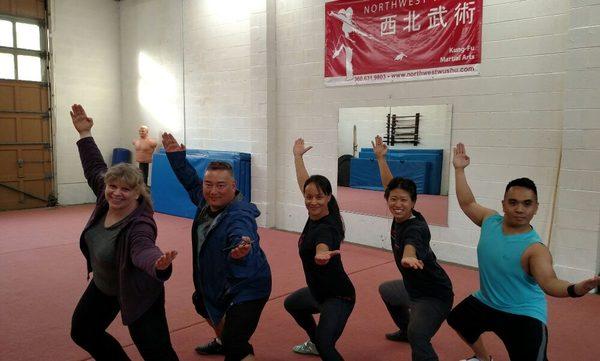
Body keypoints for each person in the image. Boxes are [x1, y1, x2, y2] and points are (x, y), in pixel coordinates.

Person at [447, 143, 600, 361]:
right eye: (513, 202)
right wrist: (459, 169)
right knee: (458, 320)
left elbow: (549, 282)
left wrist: (575, 288)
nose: (519, 209)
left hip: (522, 314)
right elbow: (467, 202)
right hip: (487, 301)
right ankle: (482, 358)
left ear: (536, 207)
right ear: (504, 204)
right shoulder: (490, 221)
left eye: (527, 204)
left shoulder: (535, 249)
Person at [68, 104, 179, 361]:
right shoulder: (105, 196)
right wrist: (85, 133)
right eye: (113, 186)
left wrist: (158, 264)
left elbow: (143, 248)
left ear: (137, 192)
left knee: (157, 353)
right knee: (83, 331)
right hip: (106, 285)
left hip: (139, 289)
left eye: (125, 190)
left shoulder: (139, 223)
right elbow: (94, 165)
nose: (117, 192)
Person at [161, 132, 272, 361]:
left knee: (236, 346)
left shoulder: (239, 213)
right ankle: (224, 340)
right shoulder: (205, 201)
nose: (213, 191)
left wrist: (242, 248)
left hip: (248, 287)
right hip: (218, 281)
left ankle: (233, 344)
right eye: (209, 184)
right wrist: (176, 158)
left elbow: (242, 231)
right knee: (201, 302)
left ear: (234, 186)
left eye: (221, 185)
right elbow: (191, 181)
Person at [372, 135, 454, 361]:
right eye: (393, 199)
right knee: (387, 290)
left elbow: (411, 245)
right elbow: (390, 186)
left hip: (434, 294)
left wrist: (409, 256)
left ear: (414, 203)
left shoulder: (415, 227)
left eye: (404, 201)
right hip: (413, 287)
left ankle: (413, 334)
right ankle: (405, 330)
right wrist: (381, 159)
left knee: (419, 336)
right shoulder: (400, 213)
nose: (397, 205)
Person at [285, 138, 356, 361]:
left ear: (328, 197)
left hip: (338, 296)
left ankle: (319, 343)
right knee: (292, 304)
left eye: (319, 197)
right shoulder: (316, 212)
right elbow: (305, 183)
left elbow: (322, 244)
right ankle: (314, 341)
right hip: (318, 293)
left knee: (327, 346)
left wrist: (321, 253)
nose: (312, 201)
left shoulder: (327, 228)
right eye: (309, 197)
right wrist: (297, 157)